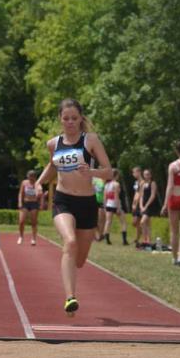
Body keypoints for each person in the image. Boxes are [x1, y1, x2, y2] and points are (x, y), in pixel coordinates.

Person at [37, 98, 112, 316]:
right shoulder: (53, 144)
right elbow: (52, 165)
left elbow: (108, 171)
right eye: (66, 118)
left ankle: (70, 269)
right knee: (70, 242)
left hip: (87, 203)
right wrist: (38, 183)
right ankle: (70, 298)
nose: (70, 122)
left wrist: (92, 172)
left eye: (74, 118)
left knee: (79, 260)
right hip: (63, 200)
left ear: (80, 119)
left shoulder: (91, 140)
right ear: (60, 119)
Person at [102, 169, 129, 245]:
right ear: (116, 175)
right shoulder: (116, 184)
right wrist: (118, 208)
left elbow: (105, 197)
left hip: (108, 205)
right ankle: (124, 240)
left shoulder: (107, 184)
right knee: (123, 222)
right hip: (115, 204)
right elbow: (116, 196)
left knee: (108, 222)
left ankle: (107, 240)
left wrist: (105, 206)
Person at [17, 170, 42, 246]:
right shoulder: (24, 183)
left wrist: (41, 203)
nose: (31, 178)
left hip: (34, 204)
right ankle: (21, 236)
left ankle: (33, 239)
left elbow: (40, 194)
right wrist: (20, 202)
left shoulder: (37, 184)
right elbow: (21, 193)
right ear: (27, 176)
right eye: (29, 176)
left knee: (33, 222)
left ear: (35, 177)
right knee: (21, 221)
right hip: (25, 203)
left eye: (32, 177)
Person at [139, 169, 160, 247]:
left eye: (147, 174)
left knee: (142, 222)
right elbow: (141, 196)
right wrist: (141, 206)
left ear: (150, 175)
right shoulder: (142, 184)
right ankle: (148, 240)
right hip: (143, 205)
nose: (146, 176)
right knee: (147, 223)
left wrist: (146, 206)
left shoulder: (153, 183)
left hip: (150, 205)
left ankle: (145, 240)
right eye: (145, 174)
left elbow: (152, 196)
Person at [131, 166, 144, 245]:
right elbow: (136, 193)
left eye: (134, 172)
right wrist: (133, 203)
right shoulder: (136, 182)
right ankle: (138, 238)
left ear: (139, 172)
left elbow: (140, 194)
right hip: (135, 203)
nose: (133, 174)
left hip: (139, 204)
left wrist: (136, 204)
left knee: (136, 222)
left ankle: (139, 238)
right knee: (135, 223)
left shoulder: (142, 182)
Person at [92, 176, 106, 241]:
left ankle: (100, 234)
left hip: (102, 202)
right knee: (94, 219)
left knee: (102, 219)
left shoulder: (107, 180)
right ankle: (96, 235)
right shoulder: (95, 179)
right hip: (93, 201)